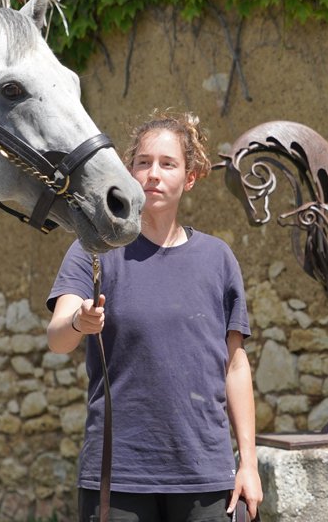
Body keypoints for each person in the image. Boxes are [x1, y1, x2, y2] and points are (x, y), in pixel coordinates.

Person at [46, 111, 262, 522]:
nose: (154, 174)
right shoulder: (95, 249)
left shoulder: (218, 258)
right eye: (143, 163)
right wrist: (79, 323)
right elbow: (58, 337)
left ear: (190, 177)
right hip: (117, 477)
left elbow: (235, 366)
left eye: (168, 164)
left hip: (206, 474)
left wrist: (248, 464)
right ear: (129, 172)